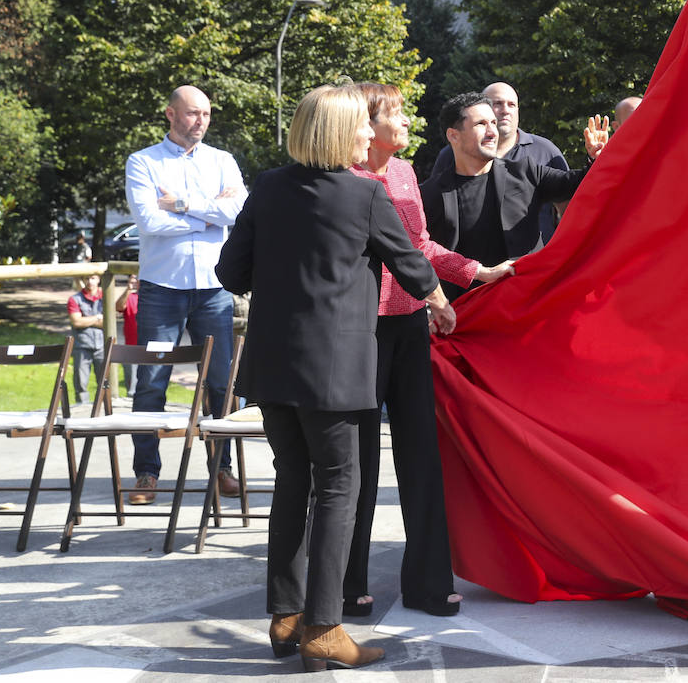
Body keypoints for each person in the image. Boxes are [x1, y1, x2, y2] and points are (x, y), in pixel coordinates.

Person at [214, 83, 456, 672]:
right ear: (338, 132)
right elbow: (412, 265)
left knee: (293, 484)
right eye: (360, 126)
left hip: (273, 367)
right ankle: (323, 625)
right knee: (338, 490)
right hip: (336, 370)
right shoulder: (365, 194)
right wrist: (440, 301)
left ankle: (285, 616)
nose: (369, 134)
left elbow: (229, 271)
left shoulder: (268, 188)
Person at [342, 83, 515, 619]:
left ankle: (427, 582)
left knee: (421, 456)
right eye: (397, 112)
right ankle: (347, 584)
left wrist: (474, 272)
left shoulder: (402, 172)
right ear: (368, 124)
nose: (407, 119)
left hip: (409, 324)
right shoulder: (340, 179)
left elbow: (415, 245)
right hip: (358, 332)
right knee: (358, 463)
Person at [124, 85, 246, 504]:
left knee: (220, 383)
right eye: (193, 113)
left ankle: (222, 470)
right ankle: (146, 473)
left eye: (207, 114)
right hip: (162, 289)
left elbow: (237, 212)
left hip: (213, 288)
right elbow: (148, 221)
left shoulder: (223, 161)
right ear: (170, 114)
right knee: (151, 379)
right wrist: (206, 216)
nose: (201, 121)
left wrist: (180, 204)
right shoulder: (143, 162)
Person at [422, 93, 606, 296]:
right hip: (468, 314)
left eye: (493, 122)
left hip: (528, 303)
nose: (492, 131)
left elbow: (580, 185)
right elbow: (422, 253)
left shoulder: (525, 171)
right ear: (454, 135)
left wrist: (596, 159)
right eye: (481, 124)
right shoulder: (430, 194)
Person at [428, 81, 571, 242]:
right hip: (473, 263)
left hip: (535, 261)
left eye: (512, 105)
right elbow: (435, 211)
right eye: (497, 104)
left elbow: (570, 210)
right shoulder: (453, 154)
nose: (505, 111)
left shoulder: (544, 151)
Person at [67, 273, 107, 405]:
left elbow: (108, 323)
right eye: (87, 278)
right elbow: (76, 322)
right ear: (83, 280)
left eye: (93, 278)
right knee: (81, 382)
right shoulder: (75, 299)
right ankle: (81, 409)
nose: (90, 281)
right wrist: (97, 318)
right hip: (82, 345)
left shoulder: (106, 297)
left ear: (99, 279)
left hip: (101, 345)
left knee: (104, 381)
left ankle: (104, 407)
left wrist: (86, 320)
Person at [114, 273, 140, 396]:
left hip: (150, 346)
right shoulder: (130, 297)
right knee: (132, 388)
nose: (135, 281)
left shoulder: (152, 298)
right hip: (132, 347)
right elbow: (118, 306)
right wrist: (128, 289)